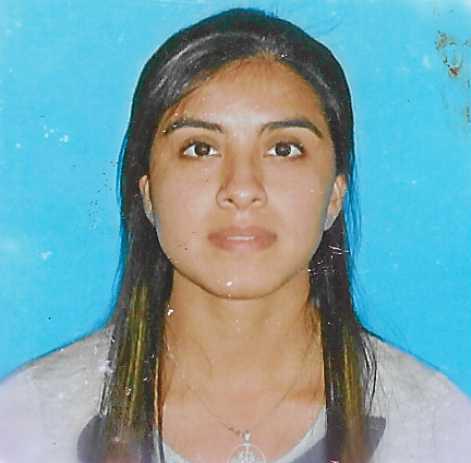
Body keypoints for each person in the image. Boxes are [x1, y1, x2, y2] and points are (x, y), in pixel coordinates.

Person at [0, 8, 470, 463]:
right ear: (147, 193)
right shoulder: (33, 421)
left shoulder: (432, 427)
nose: (242, 189)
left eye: (283, 149)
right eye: (200, 148)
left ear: (334, 194)